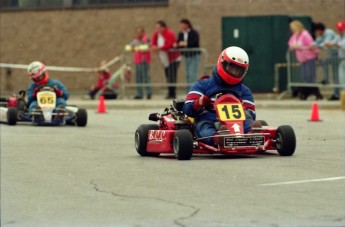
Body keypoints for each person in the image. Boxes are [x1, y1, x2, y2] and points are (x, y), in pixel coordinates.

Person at [182, 46, 261, 145]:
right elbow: (187, 109)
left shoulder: (244, 91)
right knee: (203, 126)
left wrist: (243, 108)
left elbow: (251, 114)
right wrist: (200, 102)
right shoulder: (203, 85)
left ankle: (251, 135)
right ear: (222, 63)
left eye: (238, 70)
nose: (234, 72)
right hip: (210, 118)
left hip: (237, 122)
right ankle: (218, 138)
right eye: (232, 67)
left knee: (248, 120)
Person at [288, 20, 323, 100]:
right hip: (302, 59)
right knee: (305, 77)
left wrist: (300, 47)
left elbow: (311, 45)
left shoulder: (305, 34)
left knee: (310, 76)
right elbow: (290, 44)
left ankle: (315, 93)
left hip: (309, 57)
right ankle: (306, 93)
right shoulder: (295, 35)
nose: (291, 30)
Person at [151, 20, 181, 99]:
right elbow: (153, 43)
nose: (156, 29)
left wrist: (158, 48)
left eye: (157, 27)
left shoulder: (169, 33)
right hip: (164, 59)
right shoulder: (156, 34)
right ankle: (170, 92)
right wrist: (154, 47)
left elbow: (169, 44)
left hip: (173, 58)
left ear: (163, 28)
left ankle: (172, 93)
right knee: (168, 75)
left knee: (172, 76)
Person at [313, 22, 339, 100]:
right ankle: (326, 80)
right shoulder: (322, 35)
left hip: (339, 56)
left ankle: (337, 94)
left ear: (320, 30)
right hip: (334, 56)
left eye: (317, 31)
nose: (317, 33)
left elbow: (325, 43)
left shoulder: (329, 33)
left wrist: (318, 45)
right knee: (324, 62)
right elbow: (317, 42)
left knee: (336, 76)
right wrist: (311, 45)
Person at [126, 27, 152, 100]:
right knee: (138, 77)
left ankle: (148, 92)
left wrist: (137, 48)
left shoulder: (146, 39)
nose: (138, 34)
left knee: (146, 77)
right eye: (137, 32)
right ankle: (139, 93)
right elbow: (127, 47)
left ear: (143, 32)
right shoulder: (135, 40)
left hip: (145, 60)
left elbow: (148, 46)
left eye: (140, 32)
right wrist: (131, 48)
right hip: (138, 61)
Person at [176, 19, 201, 91]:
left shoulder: (193, 32)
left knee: (193, 73)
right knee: (187, 74)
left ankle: (194, 90)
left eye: (183, 24)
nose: (181, 26)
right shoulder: (181, 33)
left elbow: (195, 43)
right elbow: (179, 43)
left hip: (193, 55)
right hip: (186, 55)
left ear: (187, 24)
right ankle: (188, 90)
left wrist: (185, 43)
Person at [326, 21, 345, 100]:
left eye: (341, 29)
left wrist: (335, 44)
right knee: (341, 79)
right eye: (339, 29)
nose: (340, 31)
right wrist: (329, 43)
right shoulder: (339, 36)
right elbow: (333, 42)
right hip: (342, 59)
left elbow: (342, 45)